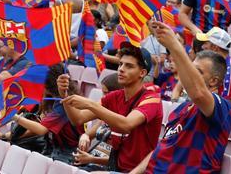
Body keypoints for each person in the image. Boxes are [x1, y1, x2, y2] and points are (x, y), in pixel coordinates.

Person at [126, 21, 231, 173]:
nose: (189, 74)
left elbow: (198, 93)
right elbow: (162, 147)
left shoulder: (223, 107)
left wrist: (174, 46)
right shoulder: (182, 109)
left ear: (214, 81)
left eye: (197, 71)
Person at [58, 44, 162, 172]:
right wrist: (64, 94)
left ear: (142, 73)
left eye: (129, 66)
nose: (121, 69)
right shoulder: (115, 96)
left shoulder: (152, 99)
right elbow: (78, 119)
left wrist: (91, 104)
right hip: (115, 167)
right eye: (120, 64)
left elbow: (126, 124)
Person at [196, 27, 231, 101]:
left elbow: (226, 108)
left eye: (206, 43)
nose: (202, 46)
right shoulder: (220, 66)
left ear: (215, 47)